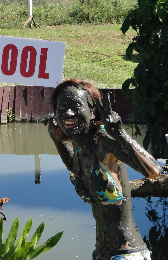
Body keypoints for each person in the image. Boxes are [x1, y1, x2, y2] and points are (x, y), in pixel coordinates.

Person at [45, 79, 161, 260]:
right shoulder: (79, 142)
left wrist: (120, 134)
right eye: (62, 107)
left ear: (92, 112)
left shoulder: (105, 142)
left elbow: (154, 171)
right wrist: (56, 140)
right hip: (102, 252)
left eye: (75, 106)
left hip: (127, 253)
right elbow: (76, 168)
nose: (68, 113)